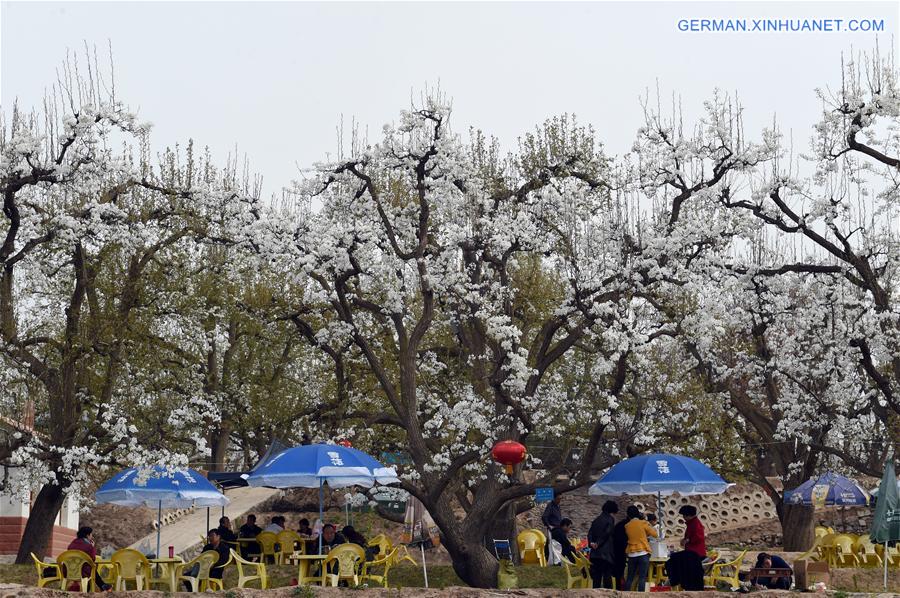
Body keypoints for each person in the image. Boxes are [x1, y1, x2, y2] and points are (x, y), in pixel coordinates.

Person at [665, 506, 706, 590]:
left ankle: (674, 580)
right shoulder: (692, 523)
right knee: (673, 559)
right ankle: (675, 579)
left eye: (684, 515)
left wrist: (687, 540)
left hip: (695, 552)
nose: (683, 517)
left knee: (673, 559)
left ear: (689, 515)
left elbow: (699, 537)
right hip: (691, 551)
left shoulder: (695, 524)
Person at [623, 505, 658, 592]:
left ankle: (625, 595)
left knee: (630, 577)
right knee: (642, 577)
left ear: (628, 515)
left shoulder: (627, 526)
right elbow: (655, 534)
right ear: (638, 513)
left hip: (631, 553)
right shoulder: (643, 523)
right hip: (643, 553)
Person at [67, 526, 112, 591]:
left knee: (90, 569)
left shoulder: (72, 544)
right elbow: (92, 559)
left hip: (70, 571)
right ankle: (102, 585)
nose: (92, 536)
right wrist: (92, 547)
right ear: (88, 535)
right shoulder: (88, 546)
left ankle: (103, 585)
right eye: (91, 534)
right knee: (92, 569)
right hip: (83, 572)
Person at [588, 500, 618, 589]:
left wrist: (591, 543)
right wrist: (598, 543)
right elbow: (607, 533)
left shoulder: (596, 520)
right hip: (606, 553)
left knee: (596, 577)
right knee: (607, 576)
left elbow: (590, 533)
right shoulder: (610, 519)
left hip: (595, 553)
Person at [612, 514, 629, 589]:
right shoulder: (628, 526)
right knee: (620, 571)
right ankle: (620, 588)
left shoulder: (619, 524)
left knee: (618, 572)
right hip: (621, 551)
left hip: (615, 550)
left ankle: (618, 587)